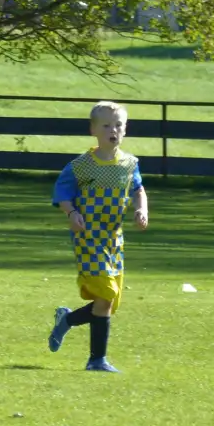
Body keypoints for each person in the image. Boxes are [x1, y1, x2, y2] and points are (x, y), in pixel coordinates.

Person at [48, 101, 148, 372]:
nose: (113, 130)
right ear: (93, 129)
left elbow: (138, 189)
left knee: (107, 303)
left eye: (118, 125)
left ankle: (67, 321)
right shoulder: (80, 166)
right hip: (87, 238)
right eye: (106, 125)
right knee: (106, 293)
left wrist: (141, 209)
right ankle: (96, 360)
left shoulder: (130, 164)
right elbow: (62, 194)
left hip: (113, 239)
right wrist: (71, 214)